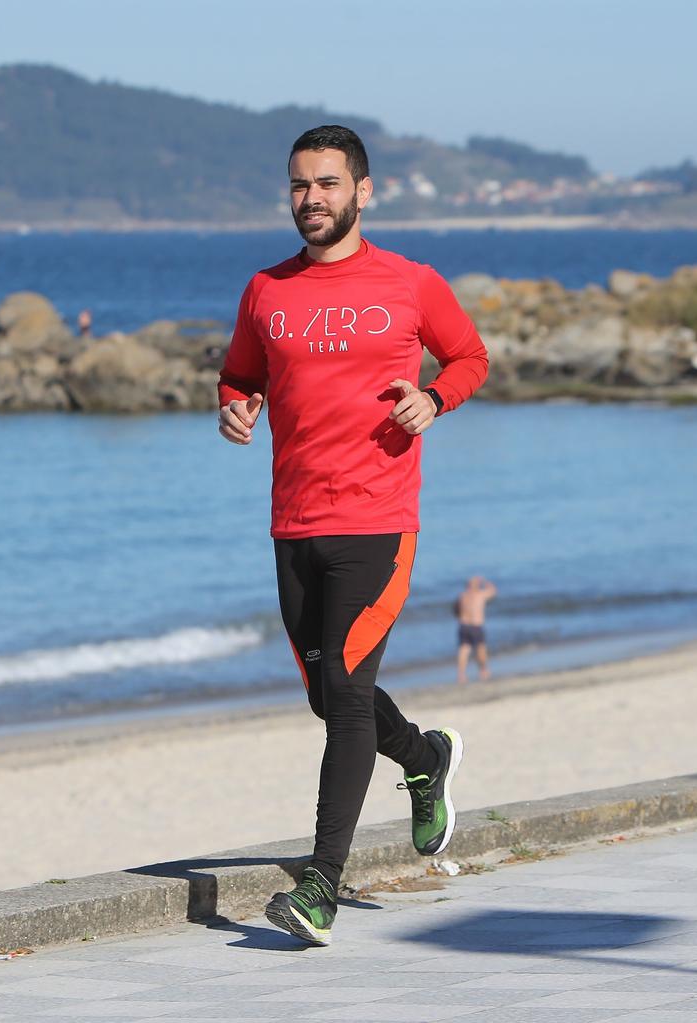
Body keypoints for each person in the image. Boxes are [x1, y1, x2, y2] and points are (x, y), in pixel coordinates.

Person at [218, 125, 488, 946]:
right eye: (300, 186)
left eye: (328, 184)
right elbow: (241, 371)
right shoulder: (266, 290)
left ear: (363, 192)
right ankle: (424, 755)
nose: (312, 200)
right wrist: (235, 403)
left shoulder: (410, 283)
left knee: (342, 695)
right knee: (329, 694)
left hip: (378, 519)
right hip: (293, 522)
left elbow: (469, 357)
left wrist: (433, 401)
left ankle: (320, 887)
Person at [454, 576, 497, 685]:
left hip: (463, 625)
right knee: (481, 649)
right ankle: (483, 671)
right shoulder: (480, 594)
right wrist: (484, 581)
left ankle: (461, 675)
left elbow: (456, 611)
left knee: (464, 650)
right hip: (476, 626)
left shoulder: (462, 596)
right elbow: (493, 591)